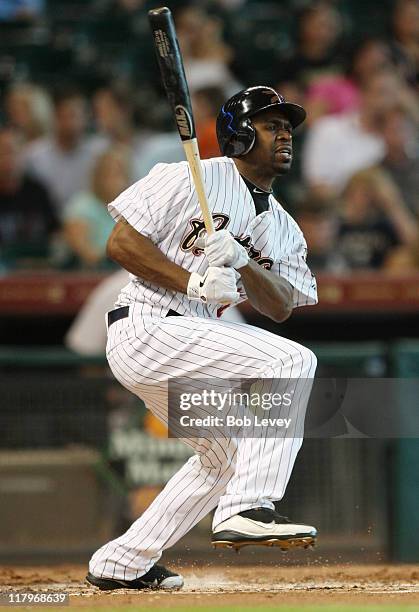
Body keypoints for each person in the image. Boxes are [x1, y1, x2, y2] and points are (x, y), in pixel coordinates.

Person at [86, 86, 318, 592]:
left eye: (287, 126)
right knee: (293, 363)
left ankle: (122, 562)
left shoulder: (284, 227)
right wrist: (190, 280)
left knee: (225, 456)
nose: (284, 134)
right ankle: (248, 508)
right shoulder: (191, 176)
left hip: (190, 338)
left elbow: (279, 305)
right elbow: (121, 242)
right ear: (238, 132)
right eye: (270, 124)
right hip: (147, 323)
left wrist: (242, 259)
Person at [24, 86, 105, 214]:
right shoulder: (34, 154)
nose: (71, 122)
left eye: (76, 115)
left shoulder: (100, 152)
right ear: (55, 117)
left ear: (86, 118)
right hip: (48, 221)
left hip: (88, 221)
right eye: (65, 115)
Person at [0, 126, 58, 269]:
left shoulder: (38, 191)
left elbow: (55, 232)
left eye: (13, 151)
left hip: (38, 268)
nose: (9, 158)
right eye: (3, 152)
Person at [63, 147, 130, 268]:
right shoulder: (81, 206)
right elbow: (83, 251)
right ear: (97, 177)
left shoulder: (132, 207)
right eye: (108, 174)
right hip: (92, 274)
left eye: (118, 174)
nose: (114, 181)